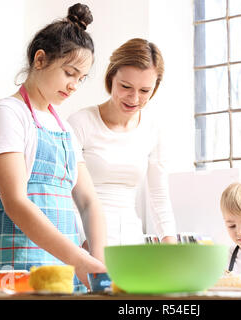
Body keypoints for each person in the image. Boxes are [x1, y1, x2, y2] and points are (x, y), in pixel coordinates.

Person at [0, 3, 106, 292]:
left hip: (63, 261)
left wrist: (98, 260)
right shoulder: (7, 114)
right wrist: (79, 258)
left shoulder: (65, 128)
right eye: (70, 73)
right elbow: (16, 202)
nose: (74, 87)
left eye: (81, 79)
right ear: (40, 59)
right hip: (13, 255)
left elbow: (88, 201)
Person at [68, 38, 177, 246]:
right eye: (126, 86)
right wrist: (83, 242)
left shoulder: (153, 130)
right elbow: (65, 193)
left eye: (145, 91)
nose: (134, 98)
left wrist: (170, 244)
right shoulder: (80, 123)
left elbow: (159, 195)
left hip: (130, 242)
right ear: (111, 78)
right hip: (84, 241)